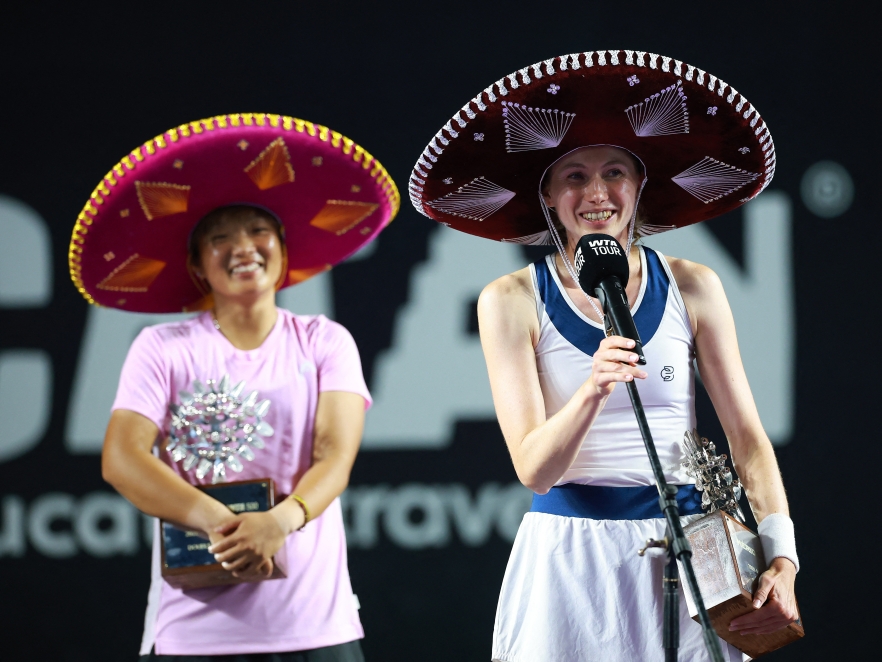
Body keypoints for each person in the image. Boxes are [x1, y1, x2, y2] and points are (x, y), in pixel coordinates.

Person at [407, 51, 799, 661]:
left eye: (615, 171)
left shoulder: (694, 285)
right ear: (547, 196)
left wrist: (781, 553)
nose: (597, 193)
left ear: (641, 187)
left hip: (693, 552)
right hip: (570, 557)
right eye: (574, 176)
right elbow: (534, 469)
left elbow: (748, 439)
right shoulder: (509, 300)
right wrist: (593, 387)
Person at [68, 113, 400, 660]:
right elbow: (122, 459)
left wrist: (279, 522)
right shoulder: (162, 347)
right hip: (193, 633)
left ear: (284, 252)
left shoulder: (324, 341)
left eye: (258, 231)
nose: (242, 246)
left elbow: (335, 456)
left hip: (316, 625)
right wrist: (229, 527)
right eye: (219, 239)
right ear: (199, 269)